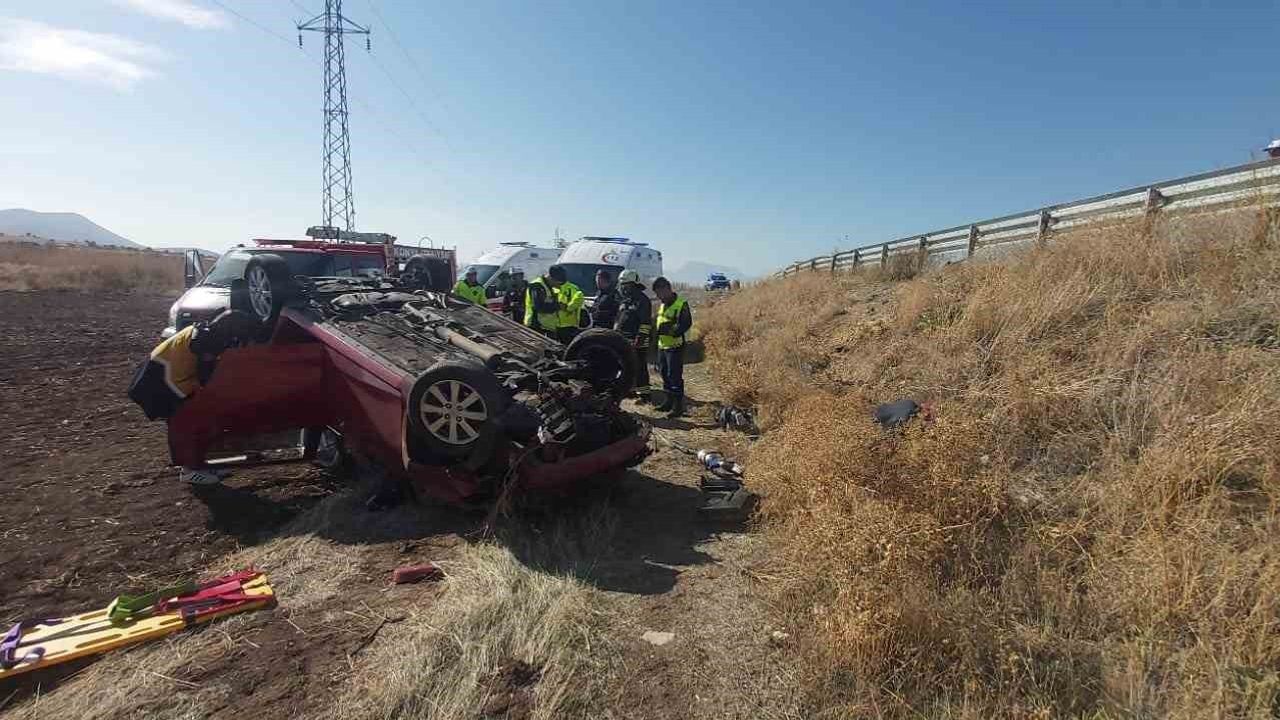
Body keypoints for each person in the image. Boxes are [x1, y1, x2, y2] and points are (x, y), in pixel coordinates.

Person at [127, 308, 260, 485]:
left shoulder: (207, 330)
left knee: (199, 420)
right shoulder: (207, 340)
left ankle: (203, 464)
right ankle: (190, 470)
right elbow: (207, 378)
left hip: (167, 377)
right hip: (158, 382)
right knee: (187, 424)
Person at [652, 276, 692, 418]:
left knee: (674, 376)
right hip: (662, 346)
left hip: (675, 347)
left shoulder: (681, 304)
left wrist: (670, 330)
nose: (658, 296)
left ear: (667, 289)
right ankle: (667, 402)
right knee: (664, 374)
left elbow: (685, 324)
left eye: (659, 293)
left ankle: (678, 407)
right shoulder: (662, 305)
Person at [613, 269, 652, 403]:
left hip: (638, 339)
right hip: (624, 338)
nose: (623, 288)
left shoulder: (642, 300)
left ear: (633, 284)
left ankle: (645, 394)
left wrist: (640, 338)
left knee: (640, 366)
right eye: (622, 285)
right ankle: (630, 390)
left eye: (626, 285)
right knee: (626, 365)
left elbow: (646, 322)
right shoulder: (626, 300)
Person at [525, 265, 566, 337]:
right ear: (551, 278)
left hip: (548, 328)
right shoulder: (537, 286)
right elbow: (539, 307)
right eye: (558, 282)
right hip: (537, 327)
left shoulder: (549, 286)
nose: (558, 285)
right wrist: (558, 306)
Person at [555, 274, 585, 345]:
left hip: (569, 325)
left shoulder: (572, 288)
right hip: (555, 325)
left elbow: (579, 299)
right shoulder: (554, 289)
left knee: (568, 346)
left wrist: (567, 307)